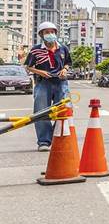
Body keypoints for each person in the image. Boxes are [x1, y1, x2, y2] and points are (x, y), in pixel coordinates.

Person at [23, 22, 72, 152]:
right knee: (41, 112)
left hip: (61, 82)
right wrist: (40, 72)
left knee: (63, 109)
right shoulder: (35, 50)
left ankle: (57, 137)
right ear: (41, 35)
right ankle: (44, 141)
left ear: (56, 33)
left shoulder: (63, 48)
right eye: (46, 32)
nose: (50, 34)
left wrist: (65, 70)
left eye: (52, 31)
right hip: (43, 83)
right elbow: (28, 66)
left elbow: (68, 62)